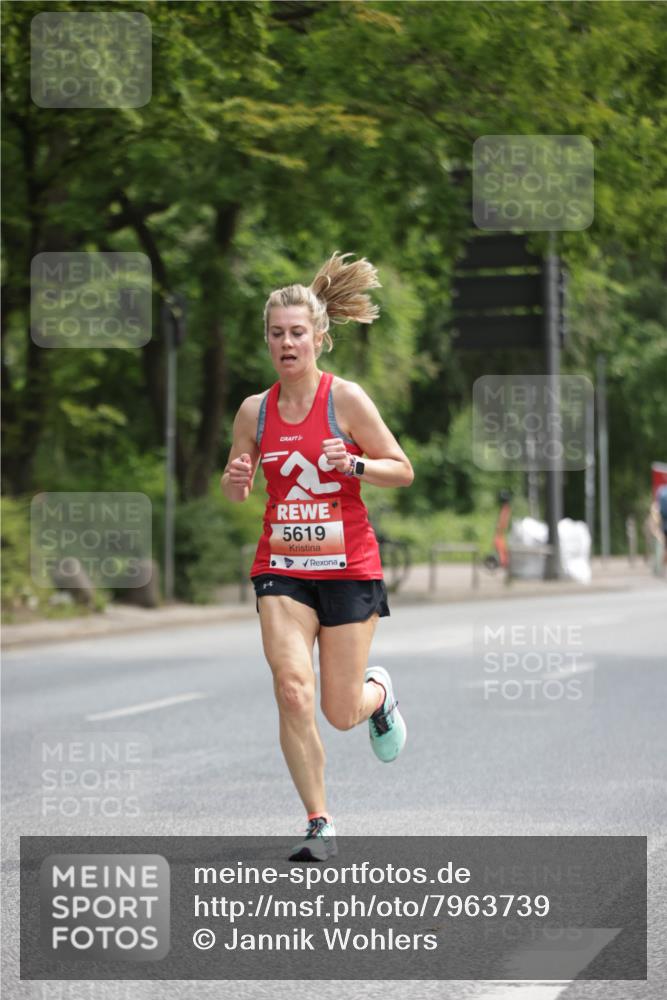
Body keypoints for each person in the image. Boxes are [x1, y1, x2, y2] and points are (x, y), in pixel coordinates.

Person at [220, 252, 414, 861]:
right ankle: (319, 822)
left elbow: (402, 470)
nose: (286, 342)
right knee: (292, 690)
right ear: (267, 340)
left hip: (349, 567)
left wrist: (353, 463)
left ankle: (378, 695)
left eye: (297, 332)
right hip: (281, 568)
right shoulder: (254, 411)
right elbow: (236, 485)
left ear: (320, 339)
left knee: (339, 709)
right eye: (276, 333)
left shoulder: (347, 400)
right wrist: (235, 475)